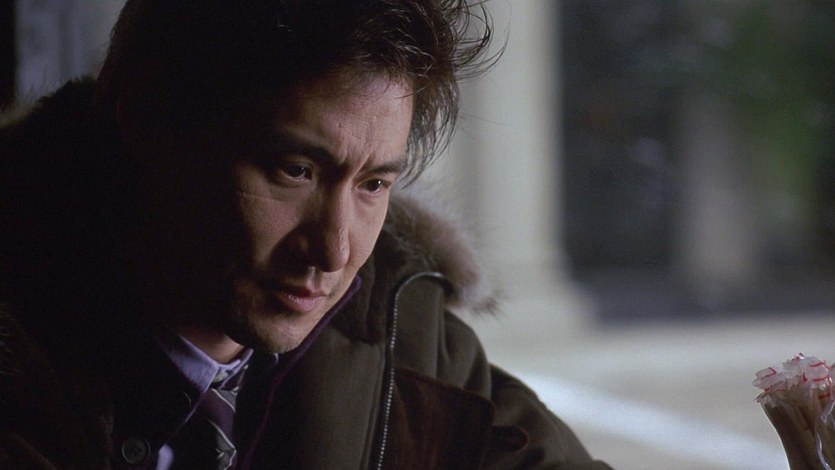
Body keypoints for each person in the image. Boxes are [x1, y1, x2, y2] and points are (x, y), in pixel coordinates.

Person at [0, 1, 612, 468]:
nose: (334, 250)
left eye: (374, 184)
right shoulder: (24, 355)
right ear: (146, 118)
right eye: (296, 170)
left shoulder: (403, 337)